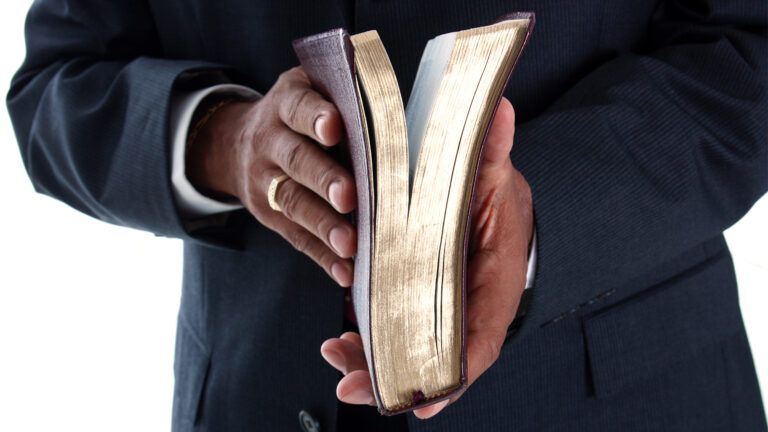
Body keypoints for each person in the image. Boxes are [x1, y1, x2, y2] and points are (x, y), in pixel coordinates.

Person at [6, 0, 767, 431]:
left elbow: (751, 45)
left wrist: (547, 216)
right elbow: (58, 83)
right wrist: (225, 142)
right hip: (258, 401)